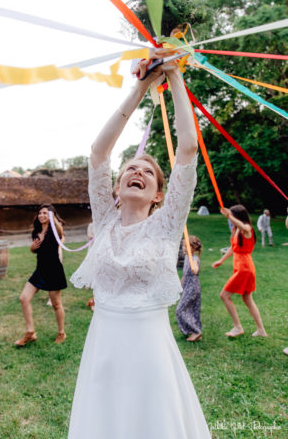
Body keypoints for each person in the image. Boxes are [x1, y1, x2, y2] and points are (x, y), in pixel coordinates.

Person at [68, 53, 211, 438]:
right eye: (131, 167)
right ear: (116, 187)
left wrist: (175, 76)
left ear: (159, 195)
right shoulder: (105, 218)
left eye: (148, 172)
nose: (137, 171)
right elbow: (99, 153)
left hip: (150, 355)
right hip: (104, 350)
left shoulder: (166, 225)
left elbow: (187, 151)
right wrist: (140, 87)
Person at [15, 204, 67, 346]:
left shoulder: (56, 231)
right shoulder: (36, 232)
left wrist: (53, 218)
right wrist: (32, 249)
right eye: (40, 213)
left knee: (56, 304)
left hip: (54, 271)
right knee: (24, 298)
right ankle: (30, 332)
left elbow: (61, 235)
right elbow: (36, 250)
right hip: (40, 270)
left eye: (45, 213)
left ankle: (61, 333)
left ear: (51, 215)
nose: (41, 215)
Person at [212, 205, 267, 338]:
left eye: (232, 216)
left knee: (224, 295)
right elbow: (233, 248)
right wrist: (221, 260)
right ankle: (261, 330)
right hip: (241, 267)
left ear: (238, 216)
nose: (230, 219)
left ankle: (238, 327)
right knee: (247, 298)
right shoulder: (236, 229)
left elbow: (244, 227)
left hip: (244, 268)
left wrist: (229, 216)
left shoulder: (247, 229)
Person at [176, 236, 203, 342]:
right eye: (183, 246)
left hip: (192, 288)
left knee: (180, 310)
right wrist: (180, 285)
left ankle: (196, 331)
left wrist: (195, 269)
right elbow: (185, 275)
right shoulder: (187, 258)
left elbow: (195, 269)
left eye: (187, 247)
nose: (184, 249)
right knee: (192, 310)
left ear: (194, 248)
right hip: (187, 286)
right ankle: (196, 333)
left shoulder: (194, 259)